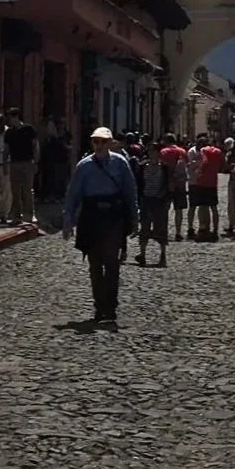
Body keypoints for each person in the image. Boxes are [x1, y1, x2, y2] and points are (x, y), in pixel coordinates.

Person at [62, 127, 139, 325]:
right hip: (91, 216)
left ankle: (111, 306)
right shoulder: (84, 166)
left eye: (103, 141)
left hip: (113, 216)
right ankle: (99, 306)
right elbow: (73, 194)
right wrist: (68, 221)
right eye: (96, 141)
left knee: (112, 263)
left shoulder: (121, 163)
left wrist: (134, 218)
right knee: (95, 264)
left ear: (111, 143)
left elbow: (130, 191)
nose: (99, 145)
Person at [3, 109, 39, 227]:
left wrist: (36, 161)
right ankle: (17, 216)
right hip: (14, 163)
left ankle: (29, 214)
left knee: (27, 189)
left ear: (16, 117)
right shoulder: (9, 132)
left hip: (27, 162)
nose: (8, 120)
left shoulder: (29, 129)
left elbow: (35, 146)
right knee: (15, 191)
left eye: (10, 118)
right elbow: (6, 149)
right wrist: (5, 164)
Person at [192, 136, 225, 241]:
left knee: (202, 206)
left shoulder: (203, 150)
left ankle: (203, 227)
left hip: (203, 181)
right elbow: (223, 164)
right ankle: (215, 229)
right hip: (213, 182)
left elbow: (205, 161)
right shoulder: (218, 151)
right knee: (214, 207)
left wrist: (199, 170)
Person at [164, 135, 189, 241]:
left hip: (166, 183)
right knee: (179, 210)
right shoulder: (182, 151)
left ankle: (163, 230)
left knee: (165, 209)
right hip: (180, 184)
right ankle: (178, 232)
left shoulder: (164, 152)